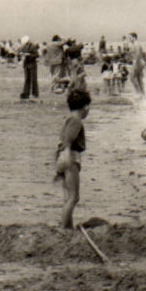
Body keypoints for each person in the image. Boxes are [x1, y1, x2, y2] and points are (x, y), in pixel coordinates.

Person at [53, 88, 92, 229]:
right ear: (85, 107)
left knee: (68, 196)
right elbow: (68, 141)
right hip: (70, 157)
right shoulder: (76, 120)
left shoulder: (69, 118)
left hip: (62, 156)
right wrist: (67, 159)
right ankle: (64, 228)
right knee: (74, 197)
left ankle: (68, 227)